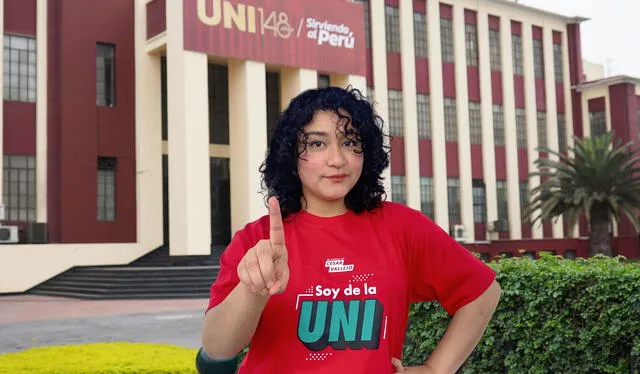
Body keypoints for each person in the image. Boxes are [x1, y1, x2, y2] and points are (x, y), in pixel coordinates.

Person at [200, 86, 501, 373]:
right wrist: (255, 288)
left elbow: (483, 292)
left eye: (350, 142)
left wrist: (436, 369)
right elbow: (217, 348)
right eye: (317, 143)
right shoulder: (257, 240)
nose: (337, 160)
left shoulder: (402, 227)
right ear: (290, 155)